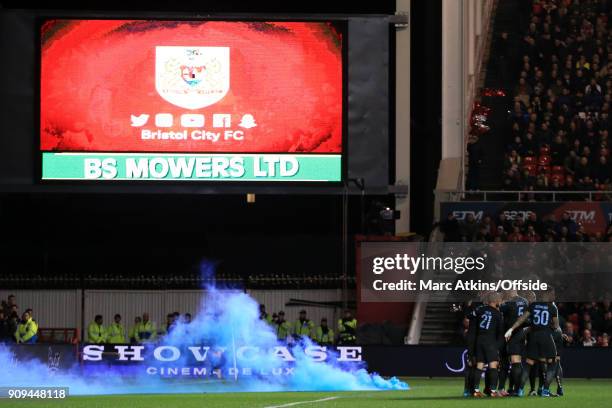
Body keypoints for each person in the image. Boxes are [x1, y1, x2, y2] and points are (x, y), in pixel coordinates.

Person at [505, 289, 560, 397]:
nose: (553, 295)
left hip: (533, 336)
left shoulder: (533, 305)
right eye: (552, 293)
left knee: (528, 364)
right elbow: (556, 326)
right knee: (552, 363)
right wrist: (550, 326)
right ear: (547, 294)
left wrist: (511, 329)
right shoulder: (552, 307)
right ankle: (545, 391)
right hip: (546, 336)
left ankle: (520, 390)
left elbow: (522, 319)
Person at [472, 292, 504, 398]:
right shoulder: (497, 314)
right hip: (490, 342)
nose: (501, 301)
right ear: (495, 301)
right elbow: (500, 332)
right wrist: (498, 345)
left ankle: (476, 391)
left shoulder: (480, 310)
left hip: (479, 340)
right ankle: (493, 391)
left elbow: (472, 320)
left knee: (479, 365)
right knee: (493, 366)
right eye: (500, 299)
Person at [500, 290, 529, 396]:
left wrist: (502, 300)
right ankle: (515, 389)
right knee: (517, 362)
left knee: (514, 361)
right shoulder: (525, 301)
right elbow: (527, 318)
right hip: (522, 333)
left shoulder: (508, 303)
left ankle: (518, 390)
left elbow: (498, 309)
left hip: (512, 334)